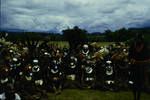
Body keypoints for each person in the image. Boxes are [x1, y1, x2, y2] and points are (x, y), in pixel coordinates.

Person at [129, 33, 150, 100]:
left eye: (139, 40)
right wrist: (131, 59)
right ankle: (135, 97)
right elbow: (129, 56)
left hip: (142, 68)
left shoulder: (146, 47)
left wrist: (138, 62)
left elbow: (148, 60)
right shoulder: (132, 46)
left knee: (141, 83)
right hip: (134, 67)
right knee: (134, 84)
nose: (137, 42)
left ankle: (139, 97)